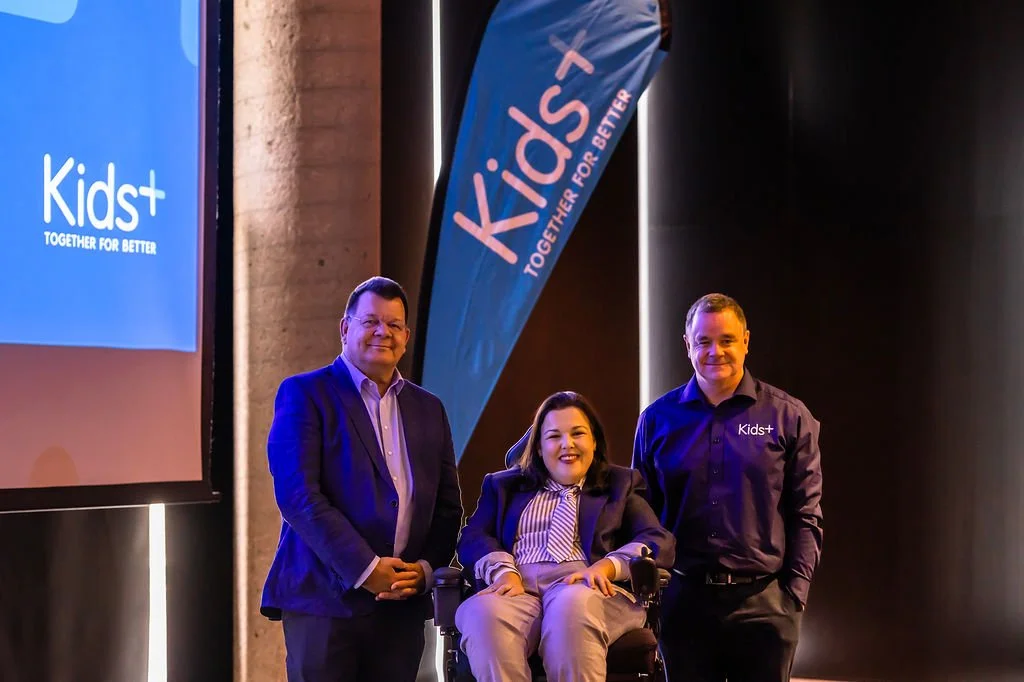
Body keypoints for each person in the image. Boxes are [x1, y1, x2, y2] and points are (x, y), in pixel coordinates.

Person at [260, 276, 463, 682]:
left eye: (393, 325)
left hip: (402, 608)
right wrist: (366, 569)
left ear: (406, 336)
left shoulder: (429, 408)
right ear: (345, 328)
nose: (382, 333)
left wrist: (424, 569)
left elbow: (447, 506)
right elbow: (299, 496)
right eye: (370, 321)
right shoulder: (305, 393)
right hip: (324, 602)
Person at [632, 293, 823, 682]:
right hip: (684, 600)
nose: (715, 351)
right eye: (703, 341)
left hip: (766, 602)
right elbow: (640, 512)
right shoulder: (656, 420)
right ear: (688, 345)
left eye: (727, 340)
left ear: (746, 341)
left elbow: (807, 514)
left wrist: (793, 595)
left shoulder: (789, 416)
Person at [456, 391, 676, 682]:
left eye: (578, 433)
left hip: (587, 590)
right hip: (519, 592)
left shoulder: (619, 484)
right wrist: (503, 572)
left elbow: (658, 540)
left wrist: (607, 566)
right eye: (554, 436)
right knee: (483, 613)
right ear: (538, 448)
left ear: (594, 442)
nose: (567, 445)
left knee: (570, 606)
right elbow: (473, 536)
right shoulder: (503, 487)